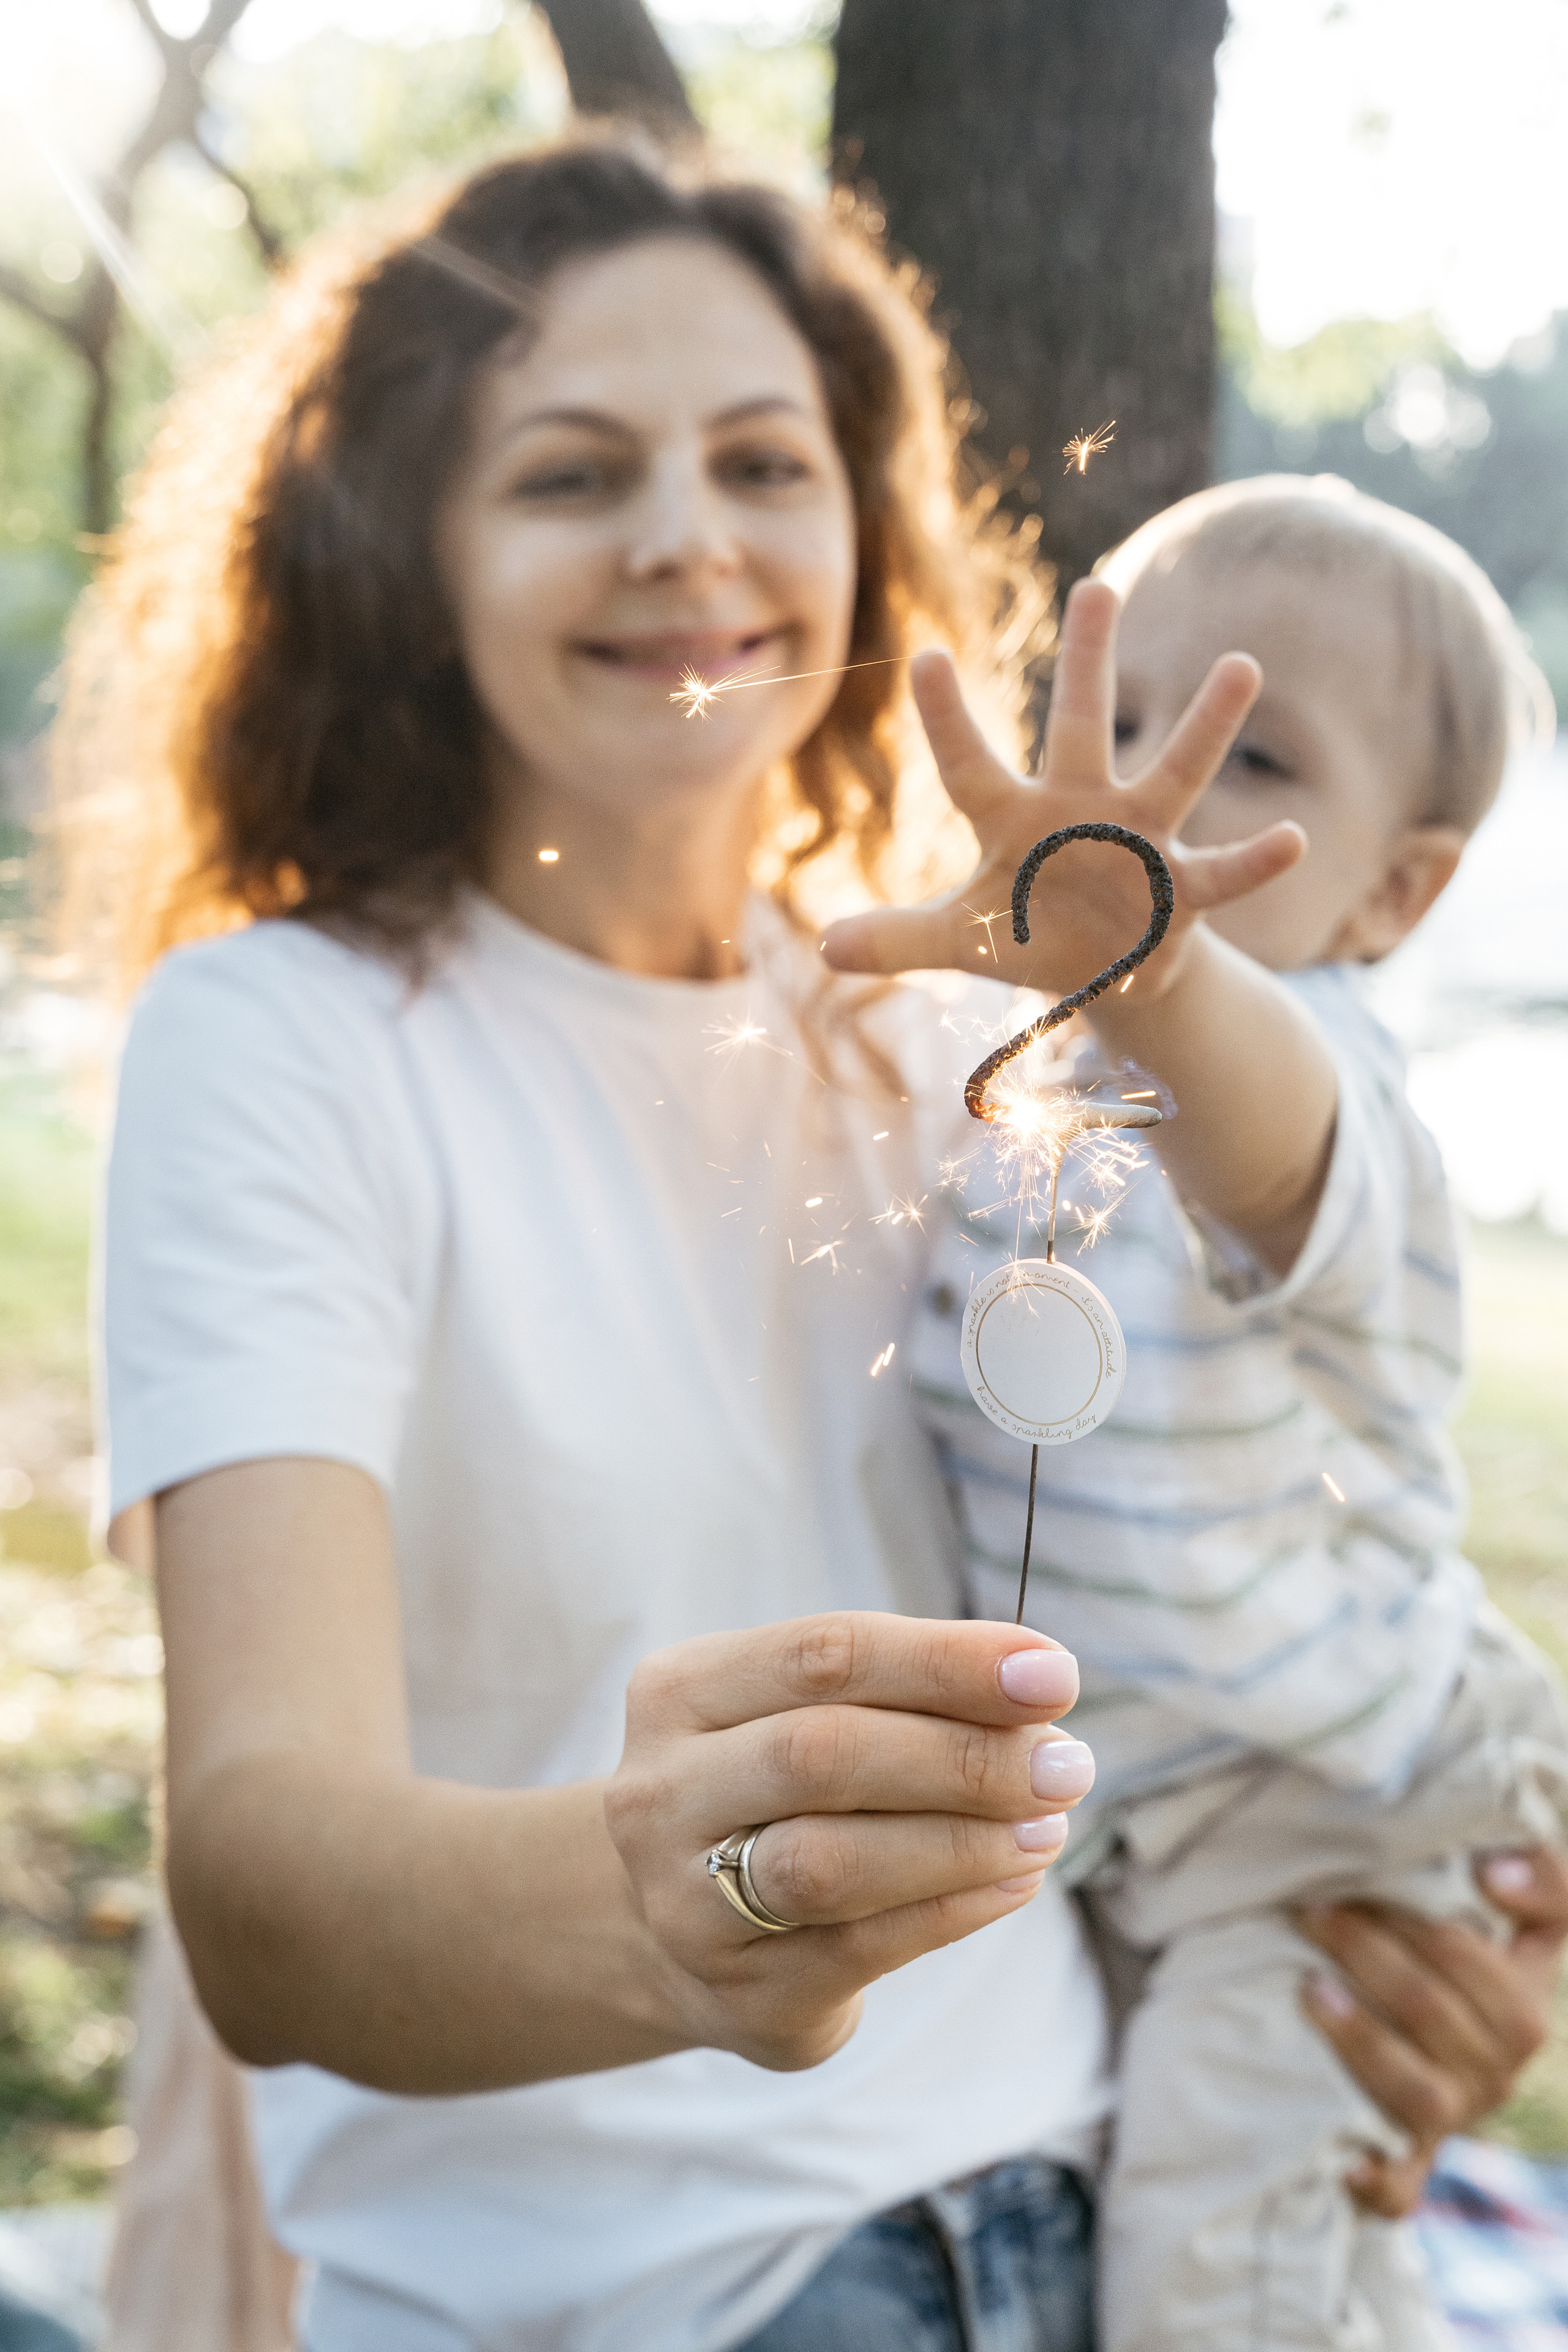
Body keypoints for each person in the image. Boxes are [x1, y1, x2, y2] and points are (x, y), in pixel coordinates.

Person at [69, 137, 1567, 2352]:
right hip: (664, 2299)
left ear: (866, 520)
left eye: (764, 461)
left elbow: (1309, 1333)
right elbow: (264, 1888)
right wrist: (671, 1913)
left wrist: (1391, 1944)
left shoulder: (975, 1018)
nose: (687, 535)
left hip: (1111, 2203)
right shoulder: (288, 1037)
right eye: (572, 474)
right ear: (406, 550)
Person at [830, 476, 1568, 2349]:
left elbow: (1265, 1137)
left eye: (1249, 757)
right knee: (1305, 2260)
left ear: (1397, 891)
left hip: (1327, 1804)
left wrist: (1153, 950)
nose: (1143, 796)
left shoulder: (1328, 1088)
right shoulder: (1028, 1071)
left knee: (1215, 2279)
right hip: (1158, 1809)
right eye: (1126, 719)